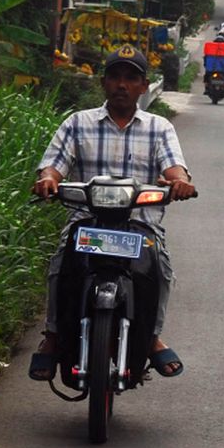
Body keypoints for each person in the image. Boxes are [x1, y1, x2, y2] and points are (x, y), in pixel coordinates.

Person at [29, 45, 197, 381]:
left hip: (138, 225)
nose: (122, 84)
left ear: (143, 85)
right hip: (87, 222)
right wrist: (48, 180)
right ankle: (52, 335)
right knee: (61, 264)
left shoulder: (159, 127)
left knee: (161, 271)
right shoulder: (78, 123)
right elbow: (53, 166)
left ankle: (150, 337)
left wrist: (179, 183)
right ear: (104, 83)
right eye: (116, 77)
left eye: (131, 78)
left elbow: (175, 167)